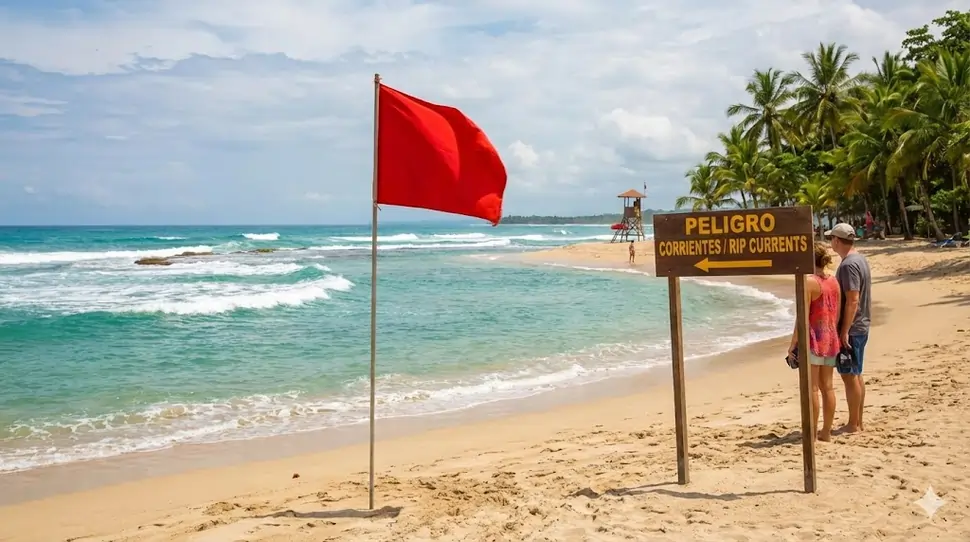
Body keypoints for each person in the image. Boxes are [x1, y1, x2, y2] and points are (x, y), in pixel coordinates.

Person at [788, 242, 841, 441]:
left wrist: (793, 343)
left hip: (813, 339)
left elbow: (802, 317)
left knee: (812, 389)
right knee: (828, 387)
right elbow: (836, 312)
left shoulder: (809, 282)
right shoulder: (834, 282)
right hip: (830, 338)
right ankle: (826, 432)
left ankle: (810, 433)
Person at [826, 222, 872, 433]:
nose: (830, 243)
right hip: (861, 325)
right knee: (856, 373)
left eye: (831, 239)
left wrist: (843, 329)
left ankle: (854, 423)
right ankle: (858, 421)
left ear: (837, 240)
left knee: (849, 375)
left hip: (853, 328)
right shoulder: (859, 259)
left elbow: (852, 299)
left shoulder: (848, 265)